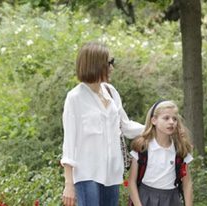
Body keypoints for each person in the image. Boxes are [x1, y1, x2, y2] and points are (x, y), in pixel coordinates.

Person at [61, 41, 145, 206]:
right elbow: (69, 144)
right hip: (87, 174)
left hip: (112, 173)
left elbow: (126, 127)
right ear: (96, 64)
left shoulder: (111, 92)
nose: (112, 67)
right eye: (110, 63)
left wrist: (153, 128)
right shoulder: (75, 98)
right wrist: (69, 184)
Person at [128, 100, 194, 206]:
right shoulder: (142, 147)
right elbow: (131, 182)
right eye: (166, 118)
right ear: (154, 120)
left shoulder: (180, 149)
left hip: (172, 200)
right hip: (145, 199)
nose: (171, 122)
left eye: (174, 119)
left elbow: (187, 183)